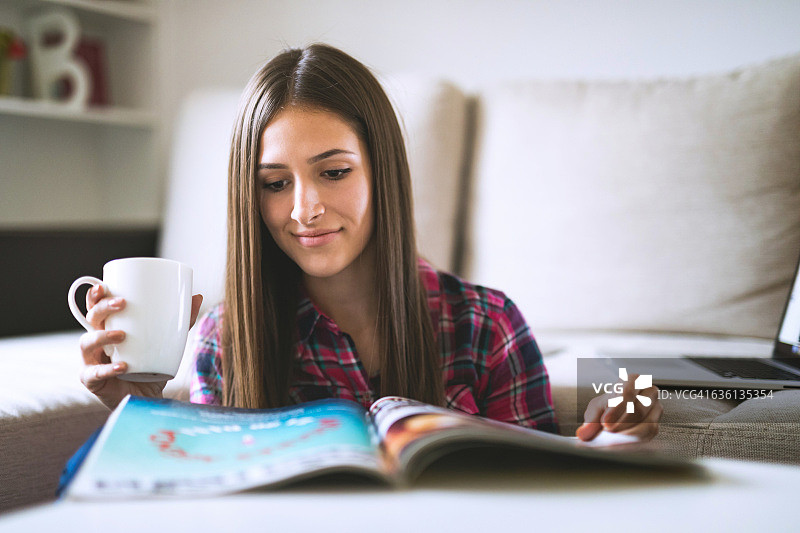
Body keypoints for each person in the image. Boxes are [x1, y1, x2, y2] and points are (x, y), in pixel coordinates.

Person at [75, 43, 661, 444]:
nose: (304, 209)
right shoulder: (223, 343)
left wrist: (615, 427)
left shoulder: (487, 324)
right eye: (276, 184)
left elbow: (539, 492)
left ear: (383, 172)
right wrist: (142, 410)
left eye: (334, 172)